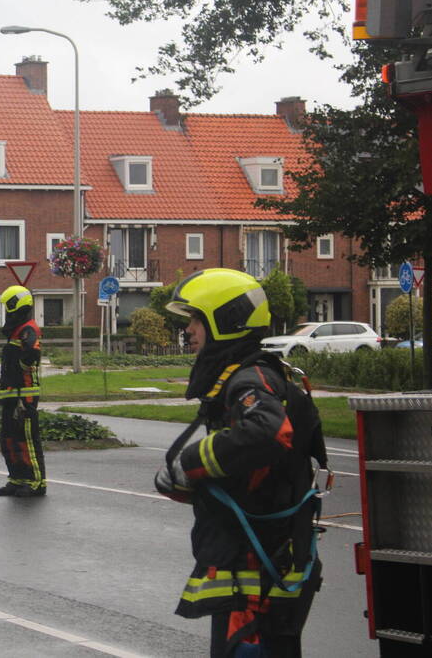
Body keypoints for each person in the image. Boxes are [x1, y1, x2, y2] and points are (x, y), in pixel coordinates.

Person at [154, 268, 327, 657]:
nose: (189, 330)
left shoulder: (249, 380)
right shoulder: (247, 376)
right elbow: (250, 469)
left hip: (257, 574)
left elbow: (268, 433)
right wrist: (191, 481)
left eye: (196, 319)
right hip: (260, 565)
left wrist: (189, 462)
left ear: (225, 320)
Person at [0, 285, 46, 497]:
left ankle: (36, 482)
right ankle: (16, 478)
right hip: (10, 394)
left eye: (9, 308)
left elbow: (30, 356)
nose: (7, 312)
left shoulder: (29, 329)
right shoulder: (16, 331)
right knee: (8, 439)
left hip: (24, 395)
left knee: (27, 440)